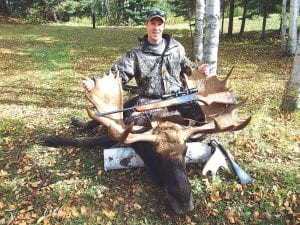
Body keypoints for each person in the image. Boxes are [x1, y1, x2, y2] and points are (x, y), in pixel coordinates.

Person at [73, 9, 209, 129]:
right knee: (131, 122)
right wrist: (94, 83)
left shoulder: (176, 48)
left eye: (159, 24)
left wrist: (199, 69)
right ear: (147, 25)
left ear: (164, 26)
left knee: (202, 118)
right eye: (152, 24)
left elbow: (187, 66)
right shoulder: (136, 54)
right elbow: (116, 75)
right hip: (149, 101)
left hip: (178, 98)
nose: (156, 28)